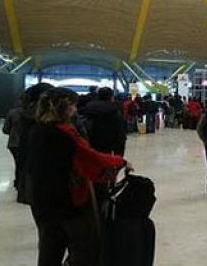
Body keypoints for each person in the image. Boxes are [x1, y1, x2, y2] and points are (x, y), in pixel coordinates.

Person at [28, 87, 130, 266]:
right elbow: (89, 157)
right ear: (65, 108)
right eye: (73, 106)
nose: (75, 110)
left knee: (49, 248)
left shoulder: (36, 131)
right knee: (84, 248)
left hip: (42, 199)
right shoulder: (66, 133)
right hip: (68, 200)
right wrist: (119, 162)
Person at [80, 87, 127, 156]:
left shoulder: (89, 107)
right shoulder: (116, 109)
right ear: (111, 96)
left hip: (94, 140)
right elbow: (120, 129)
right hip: (112, 141)